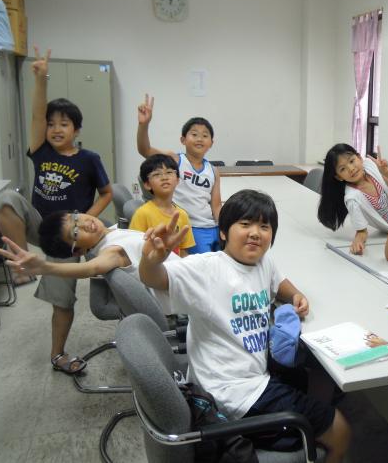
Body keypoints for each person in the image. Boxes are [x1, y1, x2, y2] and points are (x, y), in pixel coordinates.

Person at [139, 190, 351, 462]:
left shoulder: (263, 262)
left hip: (251, 376)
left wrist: (295, 294)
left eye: (264, 226)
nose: (255, 233)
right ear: (223, 231)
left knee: (311, 378)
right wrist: (151, 261)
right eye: (245, 224)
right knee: (341, 430)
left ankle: (302, 427)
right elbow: (155, 278)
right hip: (232, 395)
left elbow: (278, 281)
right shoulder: (207, 269)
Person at [0, 47, 112, 375]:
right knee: (5, 200)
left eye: (64, 124)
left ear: (77, 129)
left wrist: (86, 217)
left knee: (62, 299)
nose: (56, 129)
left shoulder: (89, 159)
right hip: (39, 223)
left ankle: (57, 354)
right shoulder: (42, 151)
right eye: (51, 124)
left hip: (68, 234)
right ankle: (22, 265)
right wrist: (40, 79)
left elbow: (106, 193)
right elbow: (35, 116)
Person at [0, 210, 180, 315]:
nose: (84, 223)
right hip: (182, 297)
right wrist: (45, 267)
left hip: (182, 279)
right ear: (78, 251)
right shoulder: (111, 250)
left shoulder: (111, 233)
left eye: (75, 217)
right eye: (75, 232)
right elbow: (92, 267)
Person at [136, 94, 222, 253]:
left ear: (211, 143)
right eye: (194, 134)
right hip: (188, 226)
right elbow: (145, 150)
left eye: (205, 135)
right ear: (183, 140)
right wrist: (144, 125)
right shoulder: (175, 160)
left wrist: (224, 227)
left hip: (212, 226)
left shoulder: (213, 170)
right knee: (205, 264)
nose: (199, 139)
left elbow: (216, 206)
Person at [317, 143, 388, 255]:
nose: (351, 169)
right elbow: (361, 231)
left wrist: (387, 172)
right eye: (342, 169)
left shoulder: (371, 165)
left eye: (351, 161)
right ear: (339, 177)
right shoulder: (352, 199)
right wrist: (358, 242)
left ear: (359, 158)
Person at [129, 154, 196, 257]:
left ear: (177, 180)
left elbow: (184, 251)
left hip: (176, 265)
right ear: (147, 184)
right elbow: (134, 249)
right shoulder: (142, 213)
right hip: (151, 264)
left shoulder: (182, 215)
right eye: (157, 174)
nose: (164, 178)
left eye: (169, 172)